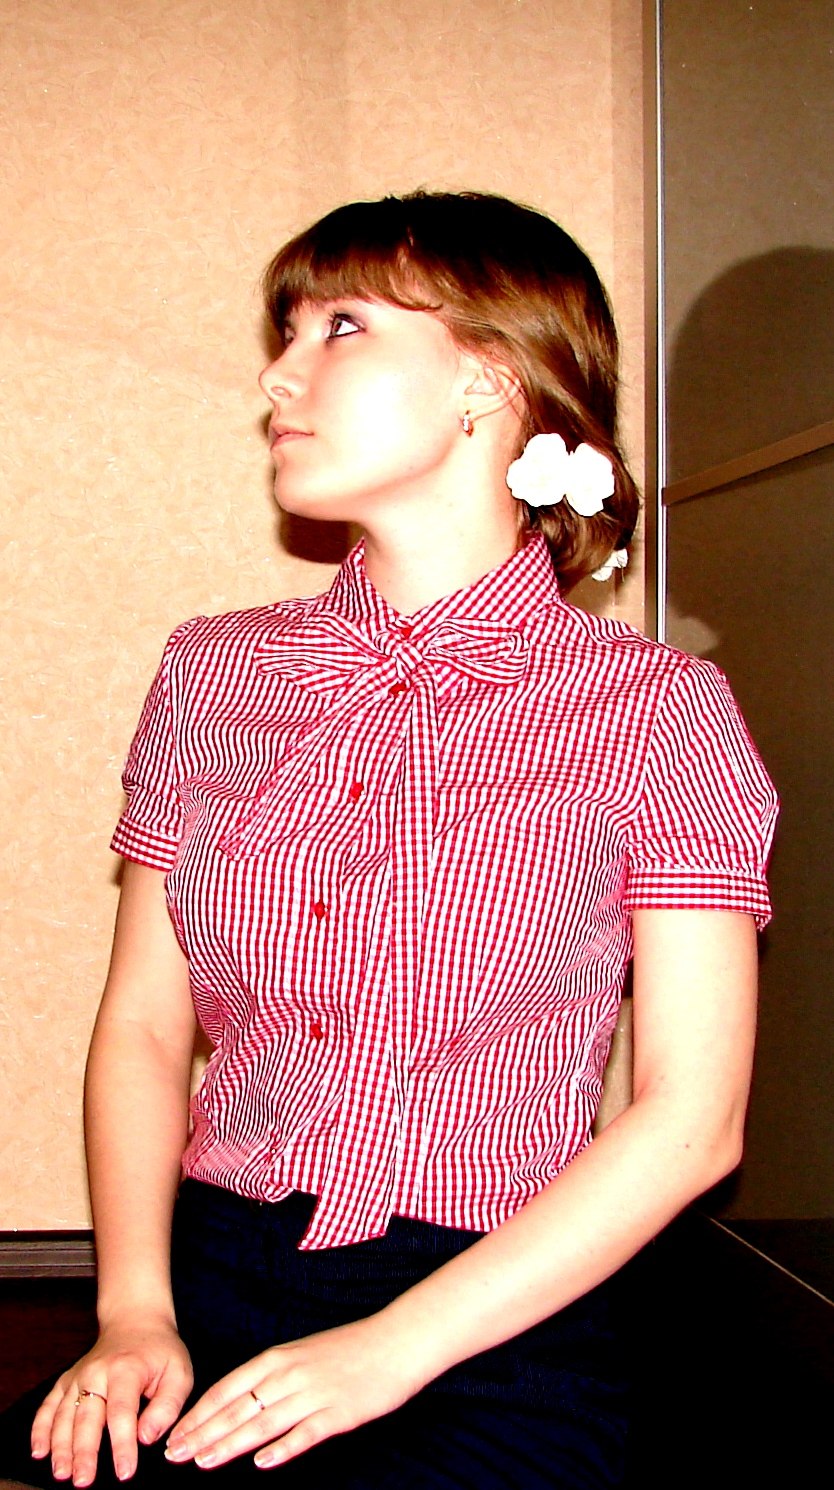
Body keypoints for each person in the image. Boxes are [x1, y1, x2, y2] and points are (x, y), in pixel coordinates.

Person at [0, 190, 778, 1490]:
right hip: (203, 1285)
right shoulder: (212, 672)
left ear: (490, 377)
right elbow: (142, 1023)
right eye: (288, 330)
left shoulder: (655, 708)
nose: (278, 373)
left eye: (341, 326)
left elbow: (692, 1120)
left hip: (497, 1314)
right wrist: (131, 1310)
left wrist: (386, 1351)